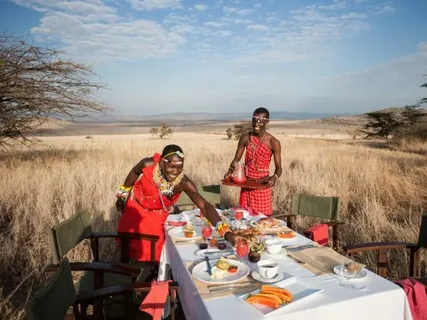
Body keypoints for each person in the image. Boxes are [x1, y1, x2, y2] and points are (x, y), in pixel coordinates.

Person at [116, 144, 235, 262]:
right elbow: (134, 172)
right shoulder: (148, 164)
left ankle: (150, 277)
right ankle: (125, 271)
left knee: (154, 253)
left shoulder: (183, 183)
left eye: (180, 166)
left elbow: (205, 206)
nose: (175, 171)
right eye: (172, 166)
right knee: (127, 244)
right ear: (162, 162)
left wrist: (225, 232)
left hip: (155, 216)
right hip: (135, 208)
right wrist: (122, 195)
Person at [224, 107, 282, 216]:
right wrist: (230, 171)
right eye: (254, 119)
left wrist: (274, 177)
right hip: (246, 184)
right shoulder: (245, 138)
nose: (257, 123)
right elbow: (236, 160)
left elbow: (279, 169)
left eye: (261, 120)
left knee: (262, 221)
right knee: (244, 219)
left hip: (262, 186)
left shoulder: (273, 142)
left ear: (267, 122)